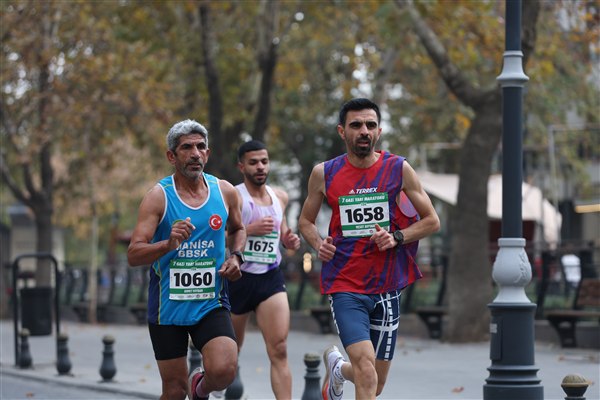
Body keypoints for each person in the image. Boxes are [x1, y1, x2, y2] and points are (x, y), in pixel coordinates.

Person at [298, 98, 440, 400]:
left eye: (370, 125)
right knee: (366, 370)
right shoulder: (324, 173)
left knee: (376, 381)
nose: (364, 130)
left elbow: (432, 221)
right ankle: (344, 369)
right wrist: (319, 243)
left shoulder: (398, 169)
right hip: (345, 283)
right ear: (342, 131)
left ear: (379, 131)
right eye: (356, 125)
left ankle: (338, 369)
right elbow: (305, 222)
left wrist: (397, 237)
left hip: (387, 285)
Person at [127, 119, 246, 400]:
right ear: (172, 156)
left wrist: (237, 256)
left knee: (225, 370)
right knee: (174, 391)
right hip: (168, 307)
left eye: (200, 147)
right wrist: (168, 244)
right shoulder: (158, 197)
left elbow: (238, 228)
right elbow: (134, 253)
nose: (195, 153)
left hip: (210, 302)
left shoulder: (225, 191)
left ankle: (200, 388)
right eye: (187, 148)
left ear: (208, 153)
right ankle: (188, 389)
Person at [228, 140, 301, 399]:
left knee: (279, 349)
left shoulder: (280, 197)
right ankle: (205, 385)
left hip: (270, 278)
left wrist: (289, 239)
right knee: (229, 355)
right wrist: (249, 230)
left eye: (264, 161)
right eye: (253, 162)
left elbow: (283, 232)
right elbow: (216, 237)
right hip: (237, 278)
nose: (260, 167)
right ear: (241, 166)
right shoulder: (234, 197)